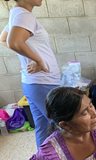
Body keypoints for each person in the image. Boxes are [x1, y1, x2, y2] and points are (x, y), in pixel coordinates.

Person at [0, 0, 60, 148]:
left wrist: (29, 58)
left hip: (35, 83)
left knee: (43, 127)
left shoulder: (17, 13)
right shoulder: (23, 14)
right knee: (63, 123)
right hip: (42, 82)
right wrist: (38, 60)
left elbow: (3, 39)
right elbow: (13, 42)